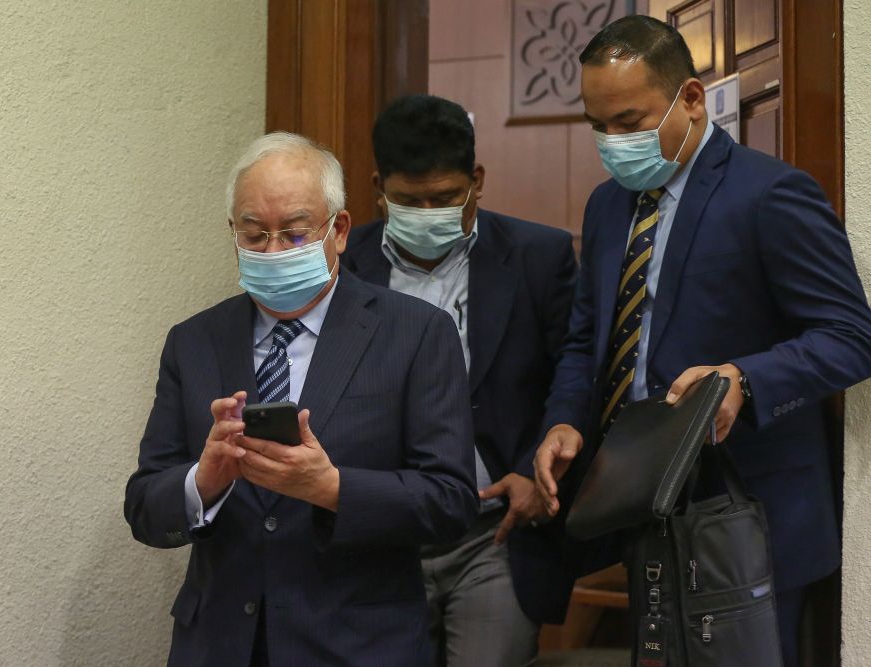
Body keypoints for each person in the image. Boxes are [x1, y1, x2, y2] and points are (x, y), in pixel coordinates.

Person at [532, 15, 871, 667]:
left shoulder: (771, 193)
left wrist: (744, 377)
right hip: (644, 501)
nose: (611, 142)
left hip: (748, 507)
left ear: (691, 98)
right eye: (597, 125)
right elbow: (585, 340)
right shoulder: (608, 207)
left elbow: (852, 336)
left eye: (629, 122)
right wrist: (564, 422)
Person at [124, 131, 479, 667]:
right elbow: (145, 506)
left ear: (338, 230)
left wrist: (331, 488)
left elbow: (451, 502)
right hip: (220, 644)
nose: (272, 251)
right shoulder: (194, 341)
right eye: (254, 234)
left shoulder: (416, 333)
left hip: (358, 644)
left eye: (292, 234)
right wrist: (205, 481)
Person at [342, 94, 578, 667]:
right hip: (380, 537)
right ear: (377, 186)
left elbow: (575, 368)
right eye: (408, 201)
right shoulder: (341, 268)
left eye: (445, 199)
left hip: (495, 532)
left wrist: (532, 471)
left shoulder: (537, 257)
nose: (427, 212)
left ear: (477, 180)